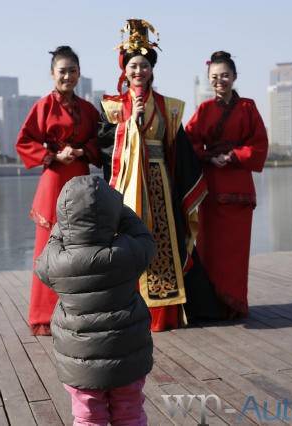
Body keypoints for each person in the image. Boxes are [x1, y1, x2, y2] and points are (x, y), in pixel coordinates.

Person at [98, 19, 216, 331]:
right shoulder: (111, 107)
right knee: (128, 242)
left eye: (144, 66)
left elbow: (181, 152)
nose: (139, 72)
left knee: (166, 242)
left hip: (160, 182)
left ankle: (166, 313)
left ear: (152, 69)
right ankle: (127, 312)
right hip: (127, 185)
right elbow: (104, 149)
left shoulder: (169, 107)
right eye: (133, 66)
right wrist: (129, 126)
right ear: (124, 69)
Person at [35, 175, 156, 426]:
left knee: (87, 416)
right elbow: (146, 239)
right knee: (130, 412)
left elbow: (46, 253)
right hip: (127, 355)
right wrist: (120, 211)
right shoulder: (126, 253)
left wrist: (63, 224)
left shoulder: (57, 263)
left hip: (79, 361)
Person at [16, 46, 101, 335]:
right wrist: (52, 156)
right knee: (48, 252)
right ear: (52, 74)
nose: (67, 76)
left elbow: (100, 143)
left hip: (80, 179)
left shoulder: (89, 109)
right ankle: (43, 316)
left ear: (79, 74)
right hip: (53, 180)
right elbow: (24, 141)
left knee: (81, 247)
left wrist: (81, 150)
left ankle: (79, 314)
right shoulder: (42, 107)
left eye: (72, 70)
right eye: (62, 70)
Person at [185, 51, 269, 319]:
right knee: (210, 250)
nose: (219, 81)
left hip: (239, 189)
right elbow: (189, 143)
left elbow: (259, 144)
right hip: (213, 189)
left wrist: (233, 156)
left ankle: (235, 305)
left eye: (224, 76)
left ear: (234, 77)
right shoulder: (204, 110)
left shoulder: (248, 107)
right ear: (209, 80)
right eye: (214, 77)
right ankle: (212, 305)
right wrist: (210, 156)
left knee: (236, 253)